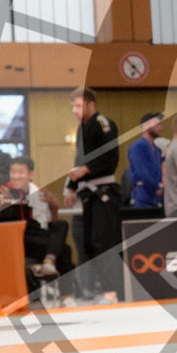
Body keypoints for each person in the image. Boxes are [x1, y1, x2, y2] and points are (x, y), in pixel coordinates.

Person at [63, 87, 122, 302]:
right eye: (73, 106)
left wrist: (86, 170)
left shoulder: (103, 124)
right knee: (86, 244)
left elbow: (111, 159)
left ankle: (113, 291)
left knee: (103, 243)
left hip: (104, 193)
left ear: (91, 104)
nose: (74, 110)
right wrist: (71, 186)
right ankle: (93, 290)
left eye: (78, 105)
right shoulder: (82, 128)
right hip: (87, 194)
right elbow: (78, 162)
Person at [0, 156, 73, 280]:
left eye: (20, 172)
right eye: (13, 172)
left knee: (62, 224)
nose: (16, 176)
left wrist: (54, 207)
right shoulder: (4, 192)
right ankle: (51, 265)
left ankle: (49, 262)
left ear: (30, 174)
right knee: (64, 250)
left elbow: (49, 223)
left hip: (37, 235)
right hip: (18, 238)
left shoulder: (39, 193)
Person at [127, 112, 164, 209]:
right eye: (157, 124)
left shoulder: (158, 150)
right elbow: (141, 172)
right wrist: (155, 188)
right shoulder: (137, 147)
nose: (160, 127)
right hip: (143, 197)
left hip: (156, 198)